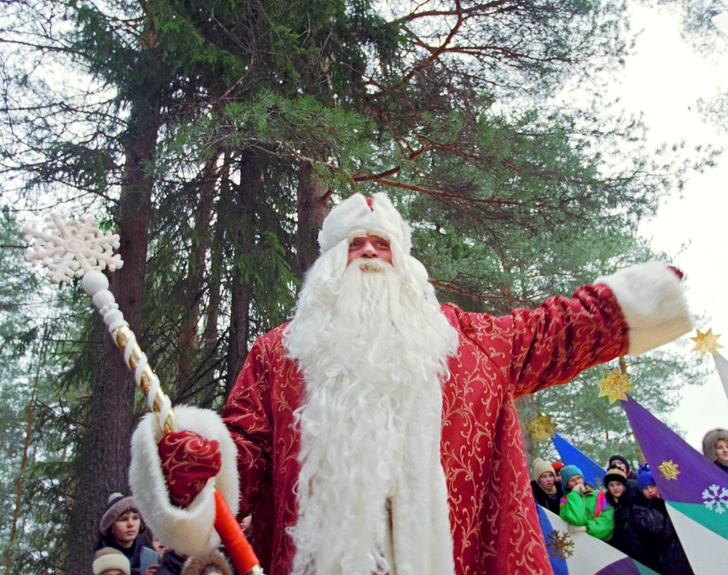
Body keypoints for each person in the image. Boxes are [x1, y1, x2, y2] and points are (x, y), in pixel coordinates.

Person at [130, 193, 692, 575]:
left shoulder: (464, 343)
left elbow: (555, 330)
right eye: (354, 244)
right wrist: (199, 462)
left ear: (404, 261)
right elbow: (245, 452)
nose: (369, 252)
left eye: (381, 243)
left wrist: (631, 300)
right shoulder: (280, 352)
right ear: (328, 264)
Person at [633, 465, 694, 575]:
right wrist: (657, 504)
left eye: (652, 486)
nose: (650, 491)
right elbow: (655, 526)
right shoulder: (639, 508)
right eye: (645, 488)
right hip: (663, 557)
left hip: (683, 554)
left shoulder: (673, 502)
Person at [97, 493, 160, 575]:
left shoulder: (152, 558)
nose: (131, 524)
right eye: (123, 520)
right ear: (111, 526)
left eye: (135, 518)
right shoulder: (99, 560)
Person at [603, 467, 651, 568]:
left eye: (618, 484)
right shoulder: (609, 505)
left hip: (643, 553)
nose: (615, 488)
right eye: (611, 485)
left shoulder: (637, 499)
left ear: (625, 485)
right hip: (622, 554)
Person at [559, 464, 614, 541]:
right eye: (572, 480)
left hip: (600, 545)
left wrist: (586, 528)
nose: (577, 482)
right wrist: (574, 494)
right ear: (567, 485)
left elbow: (608, 522)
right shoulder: (565, 501)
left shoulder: (599, 495)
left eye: (579, 478)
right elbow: (578, 519)